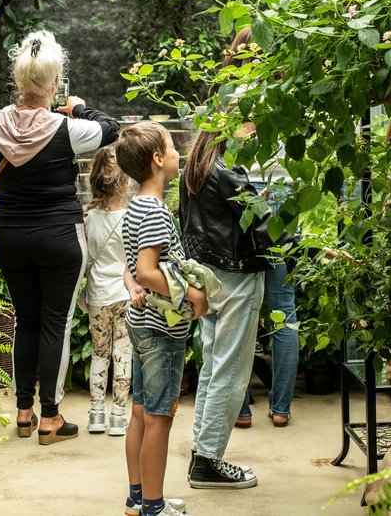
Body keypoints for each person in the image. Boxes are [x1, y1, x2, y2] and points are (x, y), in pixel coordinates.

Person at [0, 30, 119, 446]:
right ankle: (50, 417)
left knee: (24, 319)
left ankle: (22, 413)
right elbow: (110, 129)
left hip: (8, 232)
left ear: (18, 78)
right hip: (59, 235)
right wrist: (80, 107)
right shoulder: (68, 129)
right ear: (56, 78)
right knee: (54, 325)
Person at [115, 121, 207, 516]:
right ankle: (153, 506)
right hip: (161, 329)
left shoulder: (136, 205)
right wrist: (193, 293)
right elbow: (149, 270)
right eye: (171, 147)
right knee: (159, 417)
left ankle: (138, 496)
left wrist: (135, 285)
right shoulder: (154, 211)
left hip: (141, 325)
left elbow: (131, 269)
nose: (177, 153)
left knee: (140, 410)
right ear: (157, 160)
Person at [179, 117, 273, 489]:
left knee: (213, 367)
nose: (253, 134)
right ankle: (208, 460)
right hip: (237, 276)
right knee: (230, 373)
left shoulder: (197, 164)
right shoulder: (228, 170)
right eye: (250, 125)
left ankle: (203, 452)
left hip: (210, 278)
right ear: (234, 126)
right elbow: (261, 224)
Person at [223, 27, 300, 431]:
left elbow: (222, 152)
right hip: (282, 193)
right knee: (282, 309)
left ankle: (241, 408)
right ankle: (281, 407)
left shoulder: (229, 95)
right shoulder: (286, 90)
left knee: (241, 305)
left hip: (242, 194)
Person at [82, 146, 132, 436]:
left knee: (99, 352)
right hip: (126, 294)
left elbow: (86, 260)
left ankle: (96, 413)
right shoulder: (131, 217)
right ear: (125, 184)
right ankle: (117, 415)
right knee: (123, 353)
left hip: (99, 294)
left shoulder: (89, 219)